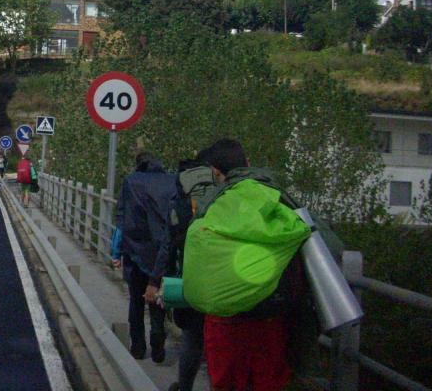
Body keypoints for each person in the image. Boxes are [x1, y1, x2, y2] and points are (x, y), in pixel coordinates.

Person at [192, 138, 306, 391]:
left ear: (216, 172)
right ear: (248, 163)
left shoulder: (212, 203)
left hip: (226, 321)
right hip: (271, 318)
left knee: (227, 383)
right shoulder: (278, 195)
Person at [151, 153, 219, 391]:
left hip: (192, 275)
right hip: (227, 275)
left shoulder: (182, 192)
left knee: (192, 338)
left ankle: (185, 387)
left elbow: (169, 243)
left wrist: (157, 280)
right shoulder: (223, 188)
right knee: (220, 343)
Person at [110, 151, 177, 363]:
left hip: (135, 252)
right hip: (162, 253)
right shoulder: (171, 181)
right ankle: (158, 344)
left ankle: (138, 347)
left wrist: (116, 253)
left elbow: (123, 222)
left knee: (136, 303)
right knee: (157, 299)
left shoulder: (131, 182)